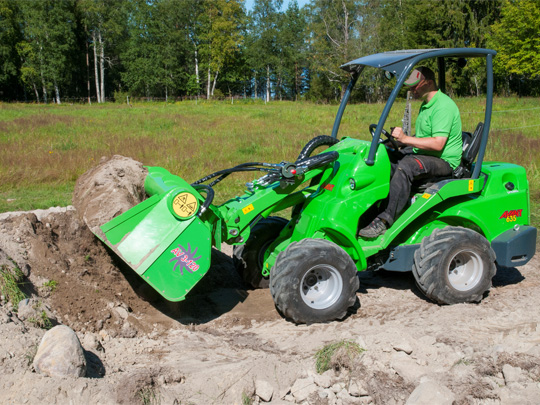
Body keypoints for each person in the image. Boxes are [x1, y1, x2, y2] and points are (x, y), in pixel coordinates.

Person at [358, 66, 463, 239]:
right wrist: (398, 143)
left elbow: (438, 144)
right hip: (426, 154)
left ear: (428, 83)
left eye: (415, 85)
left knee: (406, 166)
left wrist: (406, 139)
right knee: (384, 159)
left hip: (444, 161)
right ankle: (370, 211)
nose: (411, 89)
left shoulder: (443, 106)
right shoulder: (426, 104)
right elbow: (423, 137)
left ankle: (385, 220)